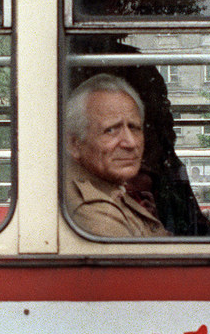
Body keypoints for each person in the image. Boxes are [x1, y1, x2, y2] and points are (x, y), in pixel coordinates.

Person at [64, 74, 170, 237]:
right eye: (111, 130)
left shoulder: (107, 188)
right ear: (74, 144)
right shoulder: (92, 212)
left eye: (134, 127)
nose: (130, 143)